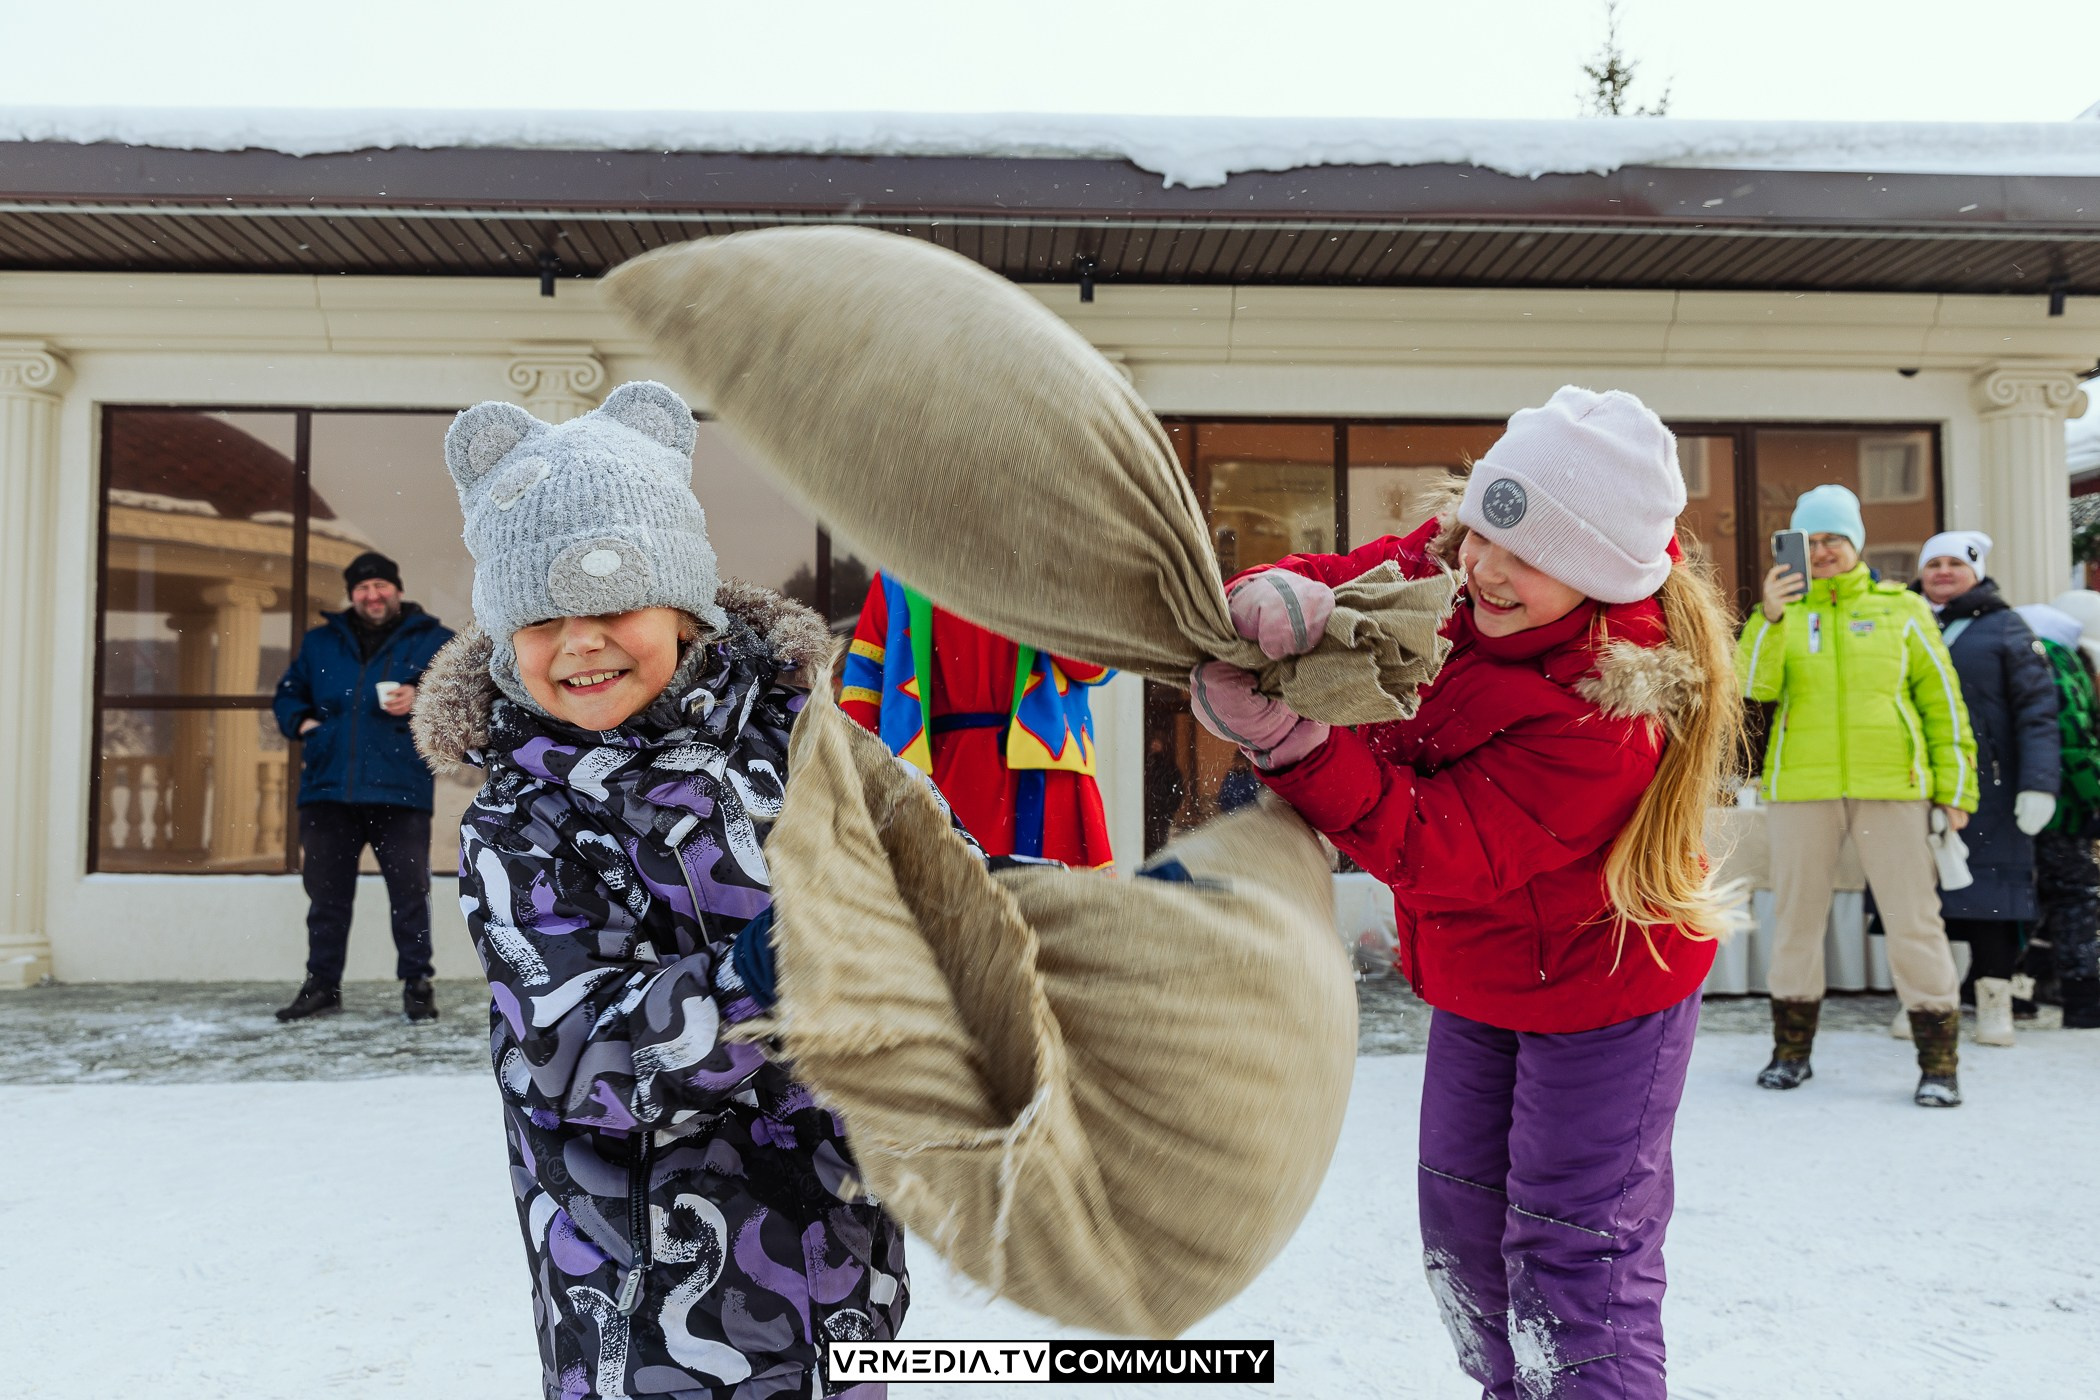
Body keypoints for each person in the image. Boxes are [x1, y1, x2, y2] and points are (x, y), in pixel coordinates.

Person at [1189, 387, 1738, 1399]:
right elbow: (1339, 581)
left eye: (1526, 553)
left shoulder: (1605, 707)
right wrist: (1271, 593)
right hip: (1484, 973)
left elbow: (1437, 846)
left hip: (1606, 991)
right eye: (1487, 524)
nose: (1484, 563)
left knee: (1573, 1260)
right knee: (1466, 1244)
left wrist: (1295, 741)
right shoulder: (1448, 564)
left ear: (1597, 571)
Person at [414, 381, 900, 1400]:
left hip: (846, 1269)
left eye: (612, 603)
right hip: (649, 1319)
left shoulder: (806, 743)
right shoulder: (521, 822)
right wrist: (767, 971)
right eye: (542, 620)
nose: (580, 641)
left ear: (682, 604)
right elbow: (575, 1058)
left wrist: (1025, 915)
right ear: (506, 643)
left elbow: (926, 870)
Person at [1737, 485, 1975, 1105]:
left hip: (1892, 787)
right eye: (1809, 542)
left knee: (1914, 922)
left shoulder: (1903, 610)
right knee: (1794, 922)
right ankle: (1791, 1053)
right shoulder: (1778, 616)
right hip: (1802, 789)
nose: (1821, 552)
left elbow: (1943, 705)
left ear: (1856, 544)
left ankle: (1939, 1063)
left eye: (1832, 540)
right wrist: (1772, 616)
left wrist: (1956, 789)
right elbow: (1751, 686)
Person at [270, 550, 453, 1022]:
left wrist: (421, 696)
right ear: (352, 595)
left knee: (409, 894)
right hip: (328, 791)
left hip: (400, 790)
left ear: (397, 589)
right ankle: (322, 986)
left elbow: (466, 695)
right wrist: (306, 726)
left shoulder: (434, 642)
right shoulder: (320, 644)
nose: (373, 595)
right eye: (362, 588)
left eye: (380, 586)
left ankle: (417, 984)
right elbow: (289, 694)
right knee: (326, 899)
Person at [841, 571, 1115, 867]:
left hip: (1033, 776)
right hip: (939, 780)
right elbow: (864, 687)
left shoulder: (1048, 563)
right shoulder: (900, 569)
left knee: (1031, 904)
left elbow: (1096, 666)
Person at [1913, 532, 2059, 1047]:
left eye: (1957, 563)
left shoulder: (2005, 627)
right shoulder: (1901, 619)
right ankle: (1936, 1001)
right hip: (1916, 784)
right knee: (1923, 899)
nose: (1944, 572)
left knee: (1991, 899)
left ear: (1977, 571)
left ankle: (1995, 1006)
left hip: (1989, 790)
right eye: (1935, 563)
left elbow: (2038, 713)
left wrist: (2039, 785)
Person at [2018, 595, 2100, 1029]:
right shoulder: (2060, 662)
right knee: (2075, 897)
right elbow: (2073, 741)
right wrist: (2095, 797)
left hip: (2023, 800)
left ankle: (2022, 986)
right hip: (2063, 806)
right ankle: (2084, 998)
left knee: (2026, 896)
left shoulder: (2022, 657)